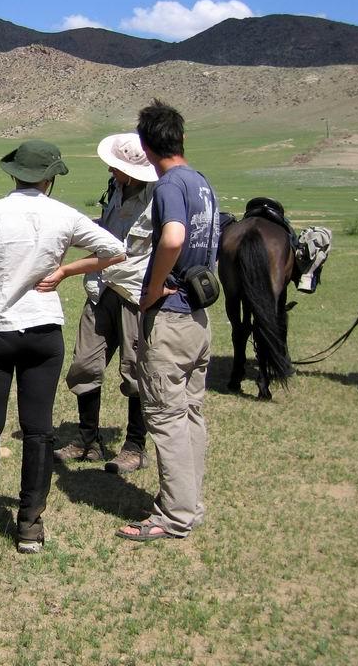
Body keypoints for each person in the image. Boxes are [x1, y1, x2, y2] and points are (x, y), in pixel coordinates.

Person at [0, 141, 125, 555]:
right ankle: (30, 527)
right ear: (49, 178)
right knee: (39, 432)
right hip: (43, 333)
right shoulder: (65, 215)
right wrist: (67, 269)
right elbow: (116, 250)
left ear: (14, 174)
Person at [117, 100, 219, 542]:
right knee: (191, 412)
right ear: (181, 138)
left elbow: (173, 237)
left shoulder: (169, 187)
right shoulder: (201, 182)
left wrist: (154, 286)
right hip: (198, 318)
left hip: (172, 320)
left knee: (165, 417)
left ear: (145, 146)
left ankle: (174, 516)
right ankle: (190, 504)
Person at [54, 132, 156, 474]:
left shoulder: (159, 197)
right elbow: (109, 231)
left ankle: (135, 446)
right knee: (85, 364)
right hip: (100, 289)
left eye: (117, 167)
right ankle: (87, 440)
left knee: (135, 370)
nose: (112, 171)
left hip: (134, 292)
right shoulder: (113, 189)